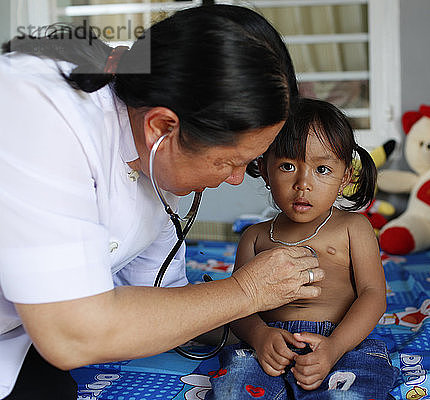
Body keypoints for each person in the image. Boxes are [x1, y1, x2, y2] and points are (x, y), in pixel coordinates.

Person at [0, 5, 325, 399]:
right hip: (51, 330)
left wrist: (257, 330)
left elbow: (164, 299)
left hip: (22, 333)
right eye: (228, 161)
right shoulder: (35, 111)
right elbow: (74, 333)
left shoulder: (161, 133)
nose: (236, 178)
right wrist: (247, 291)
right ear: (162, 127)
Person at [206, 98, 399, 400]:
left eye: (322, 169)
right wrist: (259, 336)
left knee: (356, 390)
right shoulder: (255, 237)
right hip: (270, 347)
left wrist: (334, 347)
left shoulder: (353, 228)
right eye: (287, 165)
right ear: (264, 170)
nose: (303, 183)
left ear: (345, 177)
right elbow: (239, 303)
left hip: (341, 342)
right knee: (232, 389)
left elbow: (373, 295)